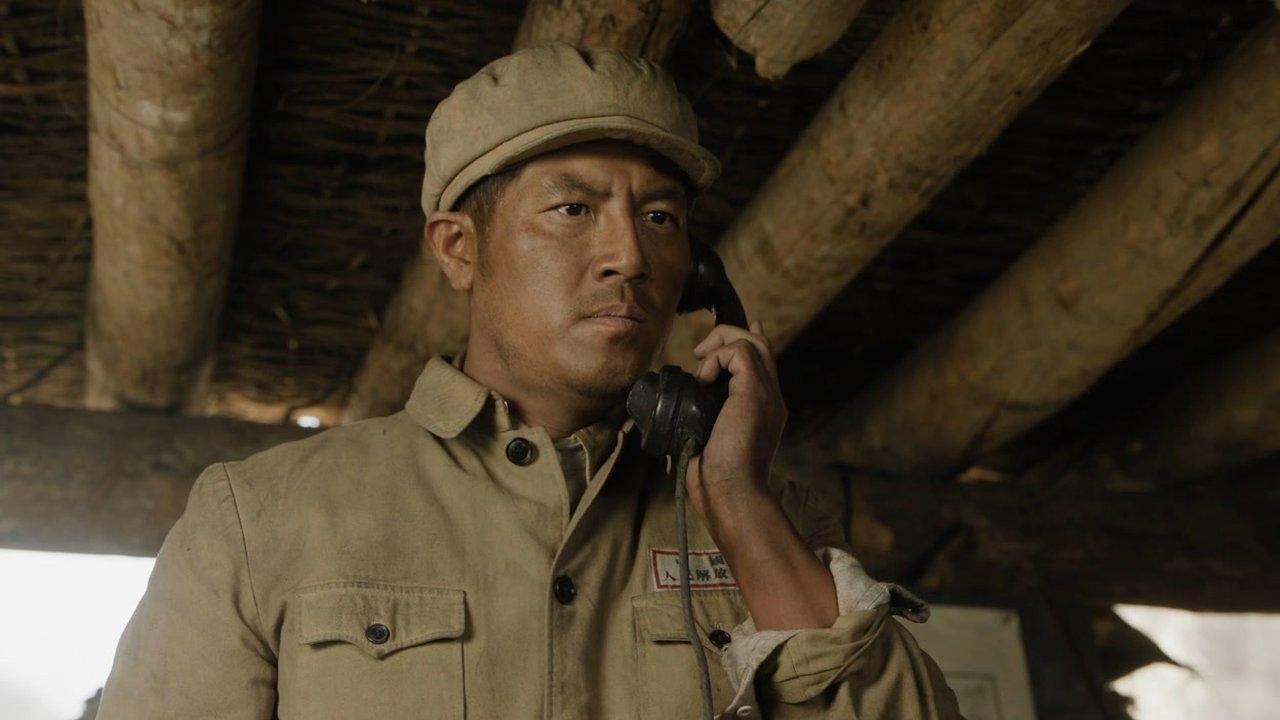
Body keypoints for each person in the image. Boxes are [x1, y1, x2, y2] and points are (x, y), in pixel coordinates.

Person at [97, 42, 961, 719]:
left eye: (659, 216)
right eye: (572, 209)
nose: (629, 256)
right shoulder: (258, 518)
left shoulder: (764, 523)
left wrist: (738, 501)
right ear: (458, 250)